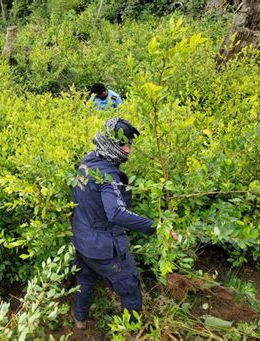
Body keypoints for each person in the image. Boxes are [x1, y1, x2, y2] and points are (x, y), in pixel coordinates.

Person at [70, 117, 176, 330]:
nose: (128, 150)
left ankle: (79, 320)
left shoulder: (89, 160)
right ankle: (130, 332)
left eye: (130, 144)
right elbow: (116, 213)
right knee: (130, 291)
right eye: (122, 144)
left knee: (85, 281)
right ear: (110, 142)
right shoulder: (108, 176)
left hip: (82, 239)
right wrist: (156, 227)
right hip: (102, 246)